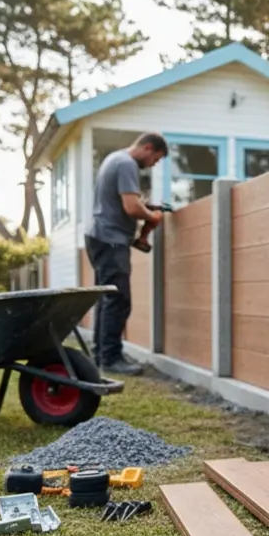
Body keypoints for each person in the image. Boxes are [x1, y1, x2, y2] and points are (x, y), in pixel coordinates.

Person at [86, 132, 168, 376]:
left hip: (99, 236)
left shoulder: (114, 158)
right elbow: (131, 207)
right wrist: (152, 216)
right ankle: (111, 358)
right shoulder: (126, 163)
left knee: (107, 297)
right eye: (156, 159)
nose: (153, 164)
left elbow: (124, 202)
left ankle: (102, 353)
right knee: (119, 299)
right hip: (110, 239)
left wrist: (146, 207)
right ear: (149, 148)